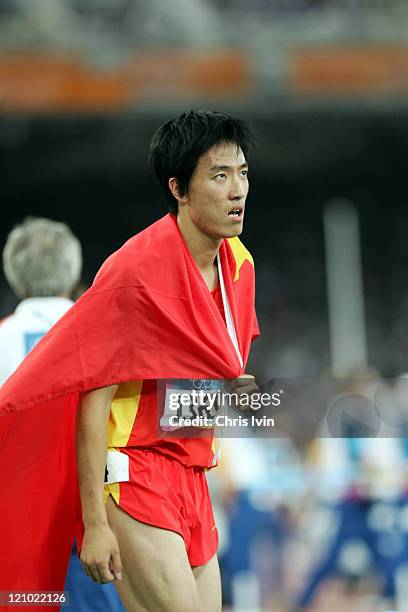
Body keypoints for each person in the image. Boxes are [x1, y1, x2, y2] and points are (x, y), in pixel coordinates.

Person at [0, 110, 259, 612]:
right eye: (220, 175)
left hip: (194, 474)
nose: (238, 190)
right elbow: (92, 399)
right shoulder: (134, 272)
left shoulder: (240, 267)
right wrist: (94, 523)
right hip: (134, 472)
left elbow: (175, 391)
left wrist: (223, 395)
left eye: (243, 173)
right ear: (179, 188)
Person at [0, 217, 123, 612]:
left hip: (15, 539)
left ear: (15, 277)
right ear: (72, 272)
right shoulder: (108, 337)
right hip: (95, 534)